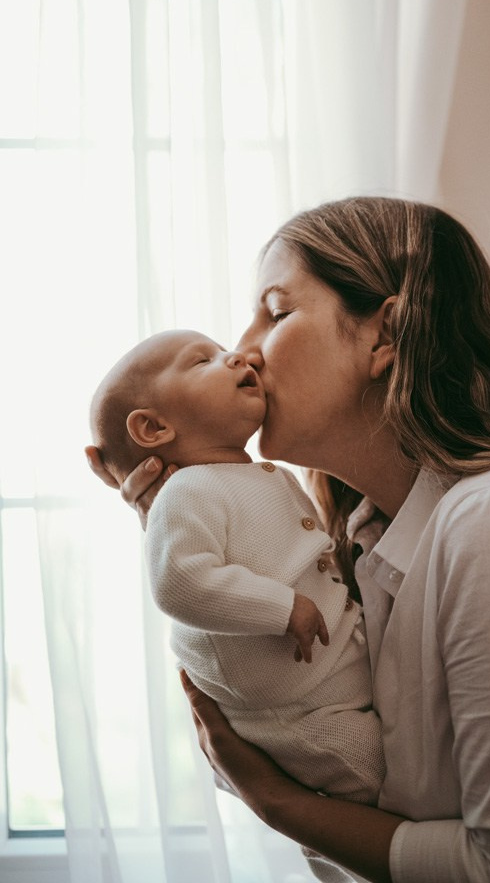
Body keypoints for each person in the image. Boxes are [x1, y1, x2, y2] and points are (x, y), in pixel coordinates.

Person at [87, 197, 490, 883]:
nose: (243, 348)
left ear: (384, 337)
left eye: (276, 312)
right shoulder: (368, 545)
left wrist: (279, 805)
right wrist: (180, 518)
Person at [89, 329, 384, 804]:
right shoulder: (185, 492)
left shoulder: (267, 475)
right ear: (153, 429)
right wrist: (281, 606)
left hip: (331, 679)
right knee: (374, 777)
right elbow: (180, 582)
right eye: (203, 360)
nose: (238, 357)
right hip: (297, 712)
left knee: (398, 772)